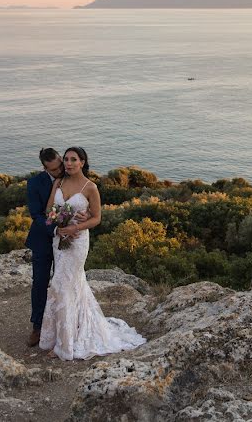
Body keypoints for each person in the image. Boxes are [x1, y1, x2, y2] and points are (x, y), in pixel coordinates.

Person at [38, 147, 146, 360]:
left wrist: (75, 227)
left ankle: (64, 345)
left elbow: (97, 218)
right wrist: (59, 222)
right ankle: (72, 332)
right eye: (66, 159)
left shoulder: (90, 188)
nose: (68, 163)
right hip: (59, 239)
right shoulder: (58, 183)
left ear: (82, 162)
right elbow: (49, 211)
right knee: (72, 286)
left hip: (77, 243)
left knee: (60, 285)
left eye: (73, 160)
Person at [25, 147, 63, 347]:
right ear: (45, 168)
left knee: (62, 282)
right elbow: (36, 215)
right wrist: (55, 231)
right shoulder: (34, 183)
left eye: (60, 166)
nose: (59, 171)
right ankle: (37, 326)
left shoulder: (71, 177)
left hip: (68, 242)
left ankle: (62, 323)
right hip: (42, 239)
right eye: (55, 170)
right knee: (40, 282)